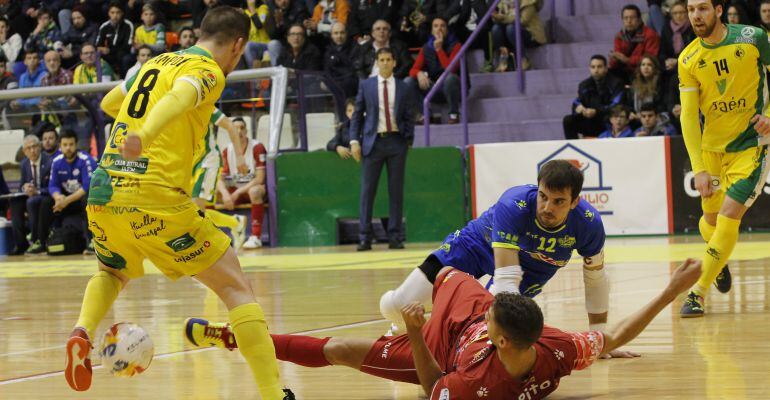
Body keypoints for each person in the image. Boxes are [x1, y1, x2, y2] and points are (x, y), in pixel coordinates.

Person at [65, 7, 292, 400]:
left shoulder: (153, 62)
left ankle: (82, 330)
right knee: (237, 289)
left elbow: (109, 105)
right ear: (238, 45)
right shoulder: (208, 71)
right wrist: (146, 133)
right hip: (153, 195)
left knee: (112, 272)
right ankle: (275, 395)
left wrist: (138, 127)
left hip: (105, 190)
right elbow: (181, 95)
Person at [183, 257, 703, 399]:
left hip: (440, 351)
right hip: (460, 315)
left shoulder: (476, 389)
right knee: (449, 272)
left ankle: (229, 336)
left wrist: (414, 334)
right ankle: (449, 270)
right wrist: (669, 291)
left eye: (495, 317)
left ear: (501, 340)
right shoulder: (558, 346)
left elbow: (433, 389)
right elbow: (611, 337)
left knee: (341, 347)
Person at [378, 161, 630, 354]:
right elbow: (506, 278)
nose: (547, 207)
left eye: (558, 201)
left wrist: (600, 338)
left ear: (575, 202)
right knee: (395, 305)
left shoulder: (589, 225)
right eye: (543, 196)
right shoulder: (514, 204)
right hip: (476, 245)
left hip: (530, 272)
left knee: (482, 328)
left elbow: (595, 279)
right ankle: (399, 327)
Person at [677, 0, 770, 317]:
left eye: (702, 8)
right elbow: (689, 119)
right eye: (691, 10)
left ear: (718, 10)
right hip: (712, 151)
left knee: (730, 215)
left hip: (751, 144)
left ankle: (697, 293)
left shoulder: (753, 37)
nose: (695, 16)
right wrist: (699, 168)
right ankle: (718, 262)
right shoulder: (688, 58)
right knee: (712, 222)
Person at [350, 47, 414, 251]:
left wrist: (408, 138)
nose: (385, 63)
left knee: (396, 192)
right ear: (377, 62)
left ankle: (395, 236)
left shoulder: (403, 87)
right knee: (367, 192)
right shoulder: (367, 85)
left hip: (397, 142)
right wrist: (353, 140)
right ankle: (364, 237)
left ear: (394, 62)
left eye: (388, 59)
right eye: (382, 59)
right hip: (373, 142)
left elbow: (409, 114)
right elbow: (357, 113)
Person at [30, 130, 96, 254]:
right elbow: (52, 185)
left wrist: (66, 201)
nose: (68, 148)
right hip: (64, 201)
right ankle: (41, 242)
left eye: (71, 144)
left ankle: (92, 241)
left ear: (76, 145)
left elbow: (87, 187)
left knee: (88, 199)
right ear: (60, 146)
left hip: (79, 200)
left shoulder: (86, 160)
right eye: (65, 145)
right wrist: (58, 197)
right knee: (46, 202)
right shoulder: (56, 162)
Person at [191, 108, 249, 249]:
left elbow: (230, 126)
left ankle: (203, 248)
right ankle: (235, 222)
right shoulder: (172, 105)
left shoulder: (203, 104)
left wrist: (240, 157)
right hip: (188, 163)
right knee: (190, 212)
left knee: (196, 207)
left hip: (207, 160)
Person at [219, 117, 268, 249]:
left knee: (255, 191)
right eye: (235, 128)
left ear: (246, 131)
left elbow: (260, 178)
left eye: (242, 128)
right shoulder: (226, 150)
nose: (239, 131)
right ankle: (217, 236)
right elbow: (220, 179)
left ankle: (256, 236)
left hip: (251, 189)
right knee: (210, 194)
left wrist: (238, 192)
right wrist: (224, 194)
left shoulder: (257, 147)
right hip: (235, 189)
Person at [406, 17, 462, 124]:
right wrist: (419, 73)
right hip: (434, 87)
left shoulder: (456, 45)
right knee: (408, 81)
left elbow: (450, 69)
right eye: (436, 26)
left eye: (442, 26)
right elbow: (413, 70)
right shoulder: (426, 47)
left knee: (450, 78)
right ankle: (425, 115)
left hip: (453, 88)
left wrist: (439, 50)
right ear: (432, 30)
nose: (439, 29)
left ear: (447, 29)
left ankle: (454, 114)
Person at [563, 54, 624, 139]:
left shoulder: (617, 83)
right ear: (589, 69)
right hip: (590, 121)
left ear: (606, 68)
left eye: (599, 67)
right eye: (593, 67)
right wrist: (580, 109)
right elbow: (577, 102)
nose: (596, 70)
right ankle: (574, 149)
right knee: (568, 120)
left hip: (607, 121)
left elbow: (616, 106)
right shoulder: (584, 85)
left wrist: (596, 112)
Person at [9, 135, 52, 255]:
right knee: (15, 203)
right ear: (24, 151)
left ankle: (36, 241)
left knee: (32, 202)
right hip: (30, 195)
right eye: (28, 148)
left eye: (34, 147)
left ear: (40, 147)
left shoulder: (49, 161)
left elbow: (53, 186)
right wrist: (25, 187)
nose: (32, 150)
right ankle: (21, 244)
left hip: (45, 195)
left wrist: (37, 191)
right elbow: (21, 185)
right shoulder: (24, 164)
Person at [609, 4, 660, 81]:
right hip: (625, 70)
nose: (629, 21)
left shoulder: (650, 35)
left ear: (639, 19)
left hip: (642, 70)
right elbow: (616, 61)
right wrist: (614, 59)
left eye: (632, 18)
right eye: (626, 18)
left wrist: (627, 60)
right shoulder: (619, 36)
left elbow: (651, 59)